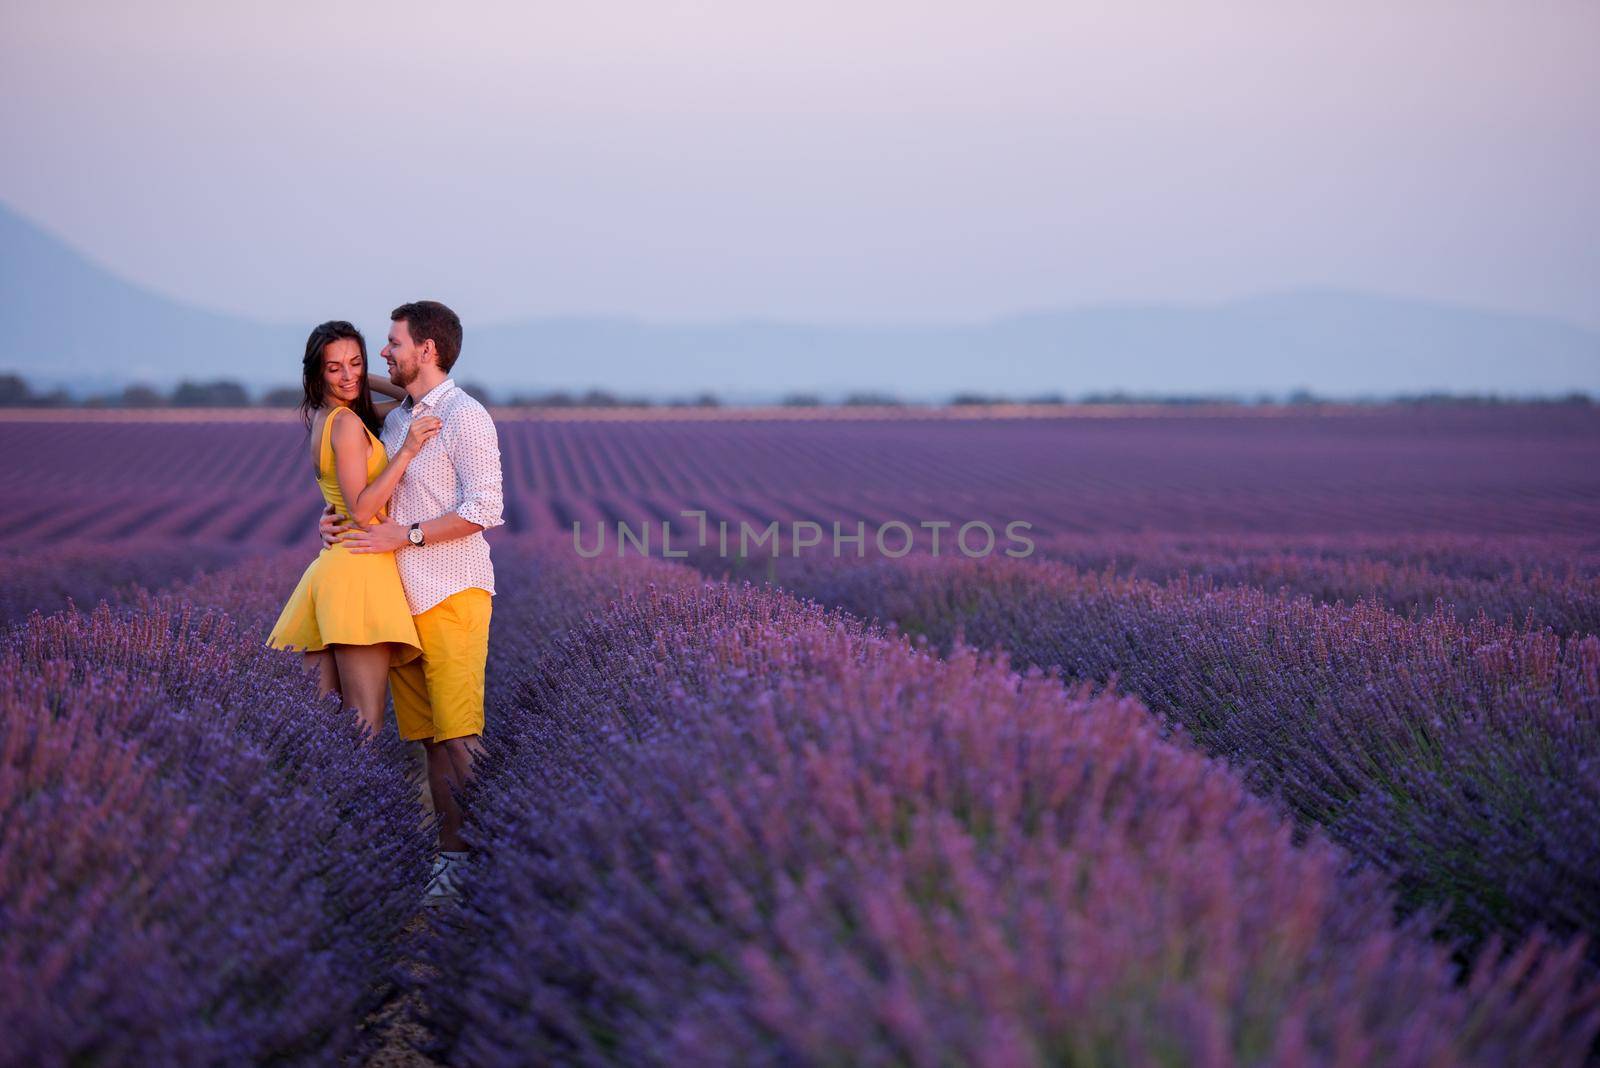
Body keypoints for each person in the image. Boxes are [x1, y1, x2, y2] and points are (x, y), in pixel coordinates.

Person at [330, 300, 505, 906]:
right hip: (402, 601)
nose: (384, 352)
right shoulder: (401, 418)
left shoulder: (466, 417)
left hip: (454, 592)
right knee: (431, 740)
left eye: (393, 342)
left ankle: (507, 856)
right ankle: (452, 862)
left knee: (461, 735)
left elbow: (486, 509)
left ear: (427, 348)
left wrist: (404, 536)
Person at [266, 321, 440, 738]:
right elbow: (362, 512)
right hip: (359, 572)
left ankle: (326, 804)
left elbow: (410, 396)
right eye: (334, 368)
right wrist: (408, 450)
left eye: (355, 363)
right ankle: (355, 804)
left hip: (334, 571)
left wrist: (360, 376)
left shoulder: (330, 418)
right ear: (314, 375)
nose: (347, 376)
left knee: (324, 732)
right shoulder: (345, 424)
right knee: (364, 727)